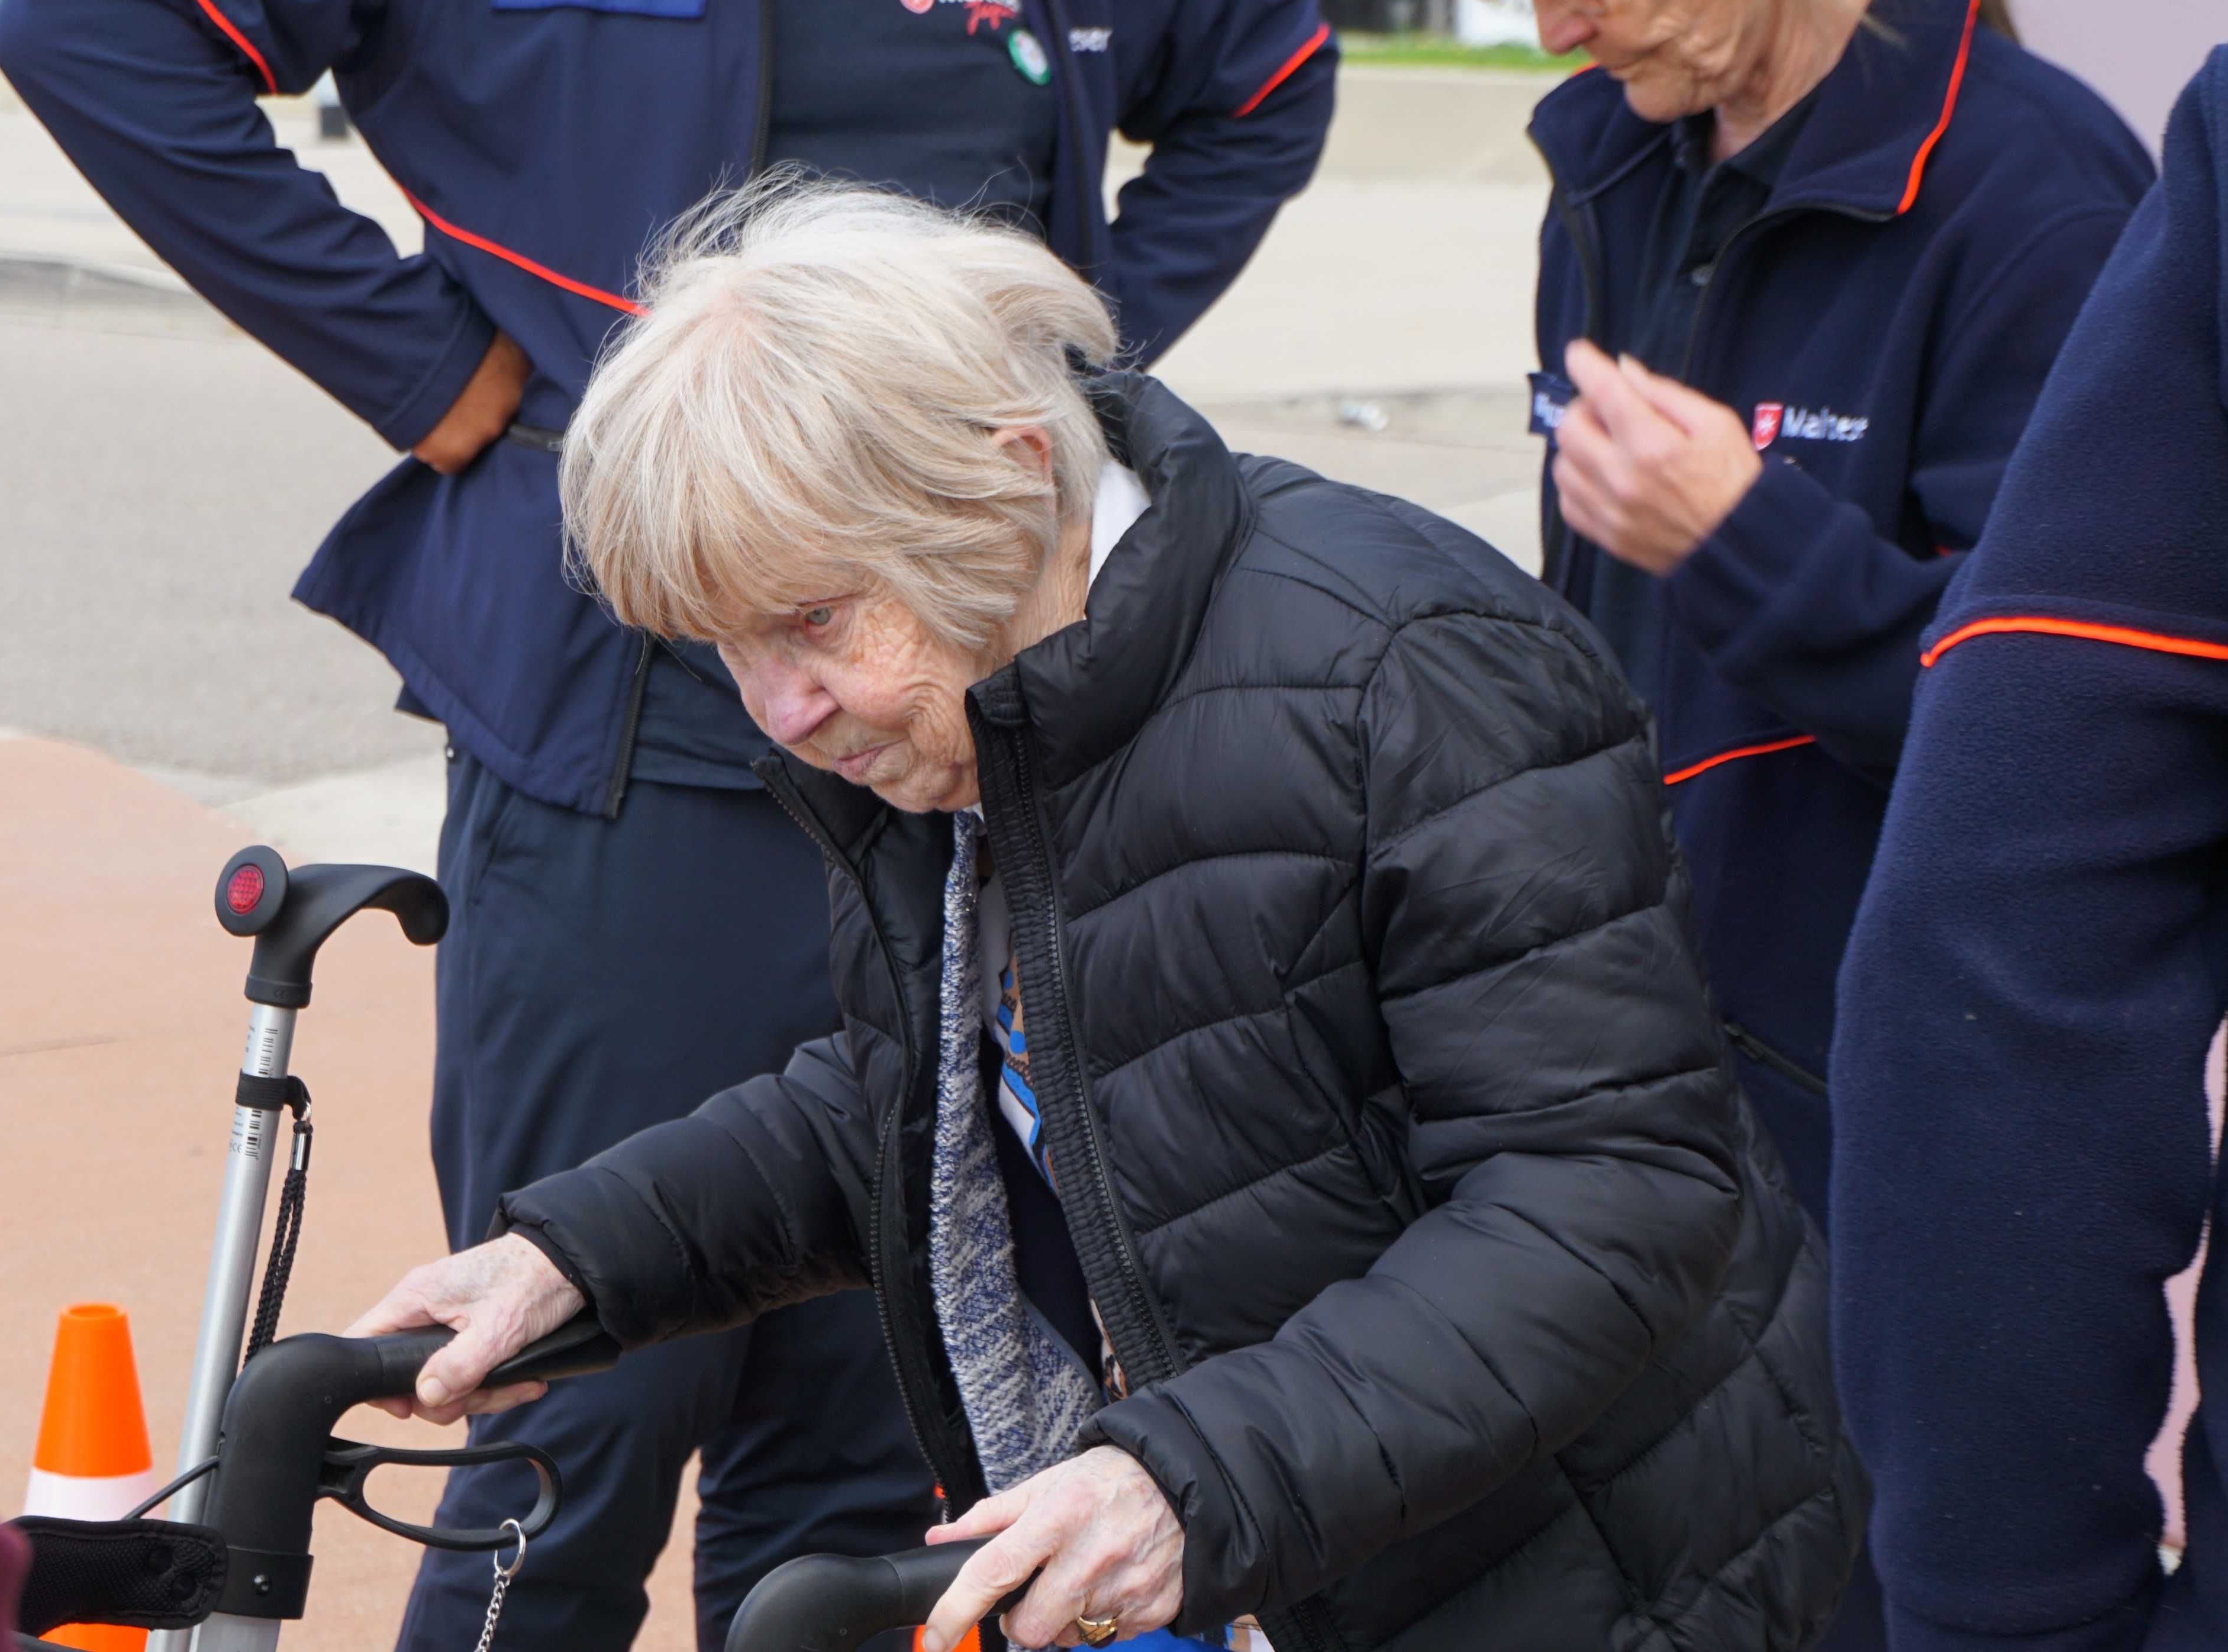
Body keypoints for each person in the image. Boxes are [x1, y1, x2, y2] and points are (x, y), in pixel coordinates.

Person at [0, 0, 1334, 1642]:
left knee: (888, 1409)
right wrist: (429, 372)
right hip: (632, 744)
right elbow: (91, 13)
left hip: (961, 757)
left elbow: (1265, 87)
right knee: (568, 1402)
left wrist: (1070, 389)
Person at [350, 176, 1863, 1652]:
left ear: (1009, 475)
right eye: (721, 647)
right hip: (1259, 1535)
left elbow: (1608, 1194)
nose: (781, 708)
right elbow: (945, 1096)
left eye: (811, 618)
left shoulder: (1406, 669)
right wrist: (577, 1259)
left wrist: (1186, 1482)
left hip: (1584, 1581)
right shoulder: (962, 696)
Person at [1421, 0, 2151, 1228]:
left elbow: (2075, 749)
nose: (1554, 32)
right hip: (1629, 1083)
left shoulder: (2036, 204)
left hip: (1897, 1129)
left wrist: (1746, 543)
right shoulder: (1614, 163)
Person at [1829, 0, 2228, 1650]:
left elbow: (2009, 940)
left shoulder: (2057, 176)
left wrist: (2000, 1618)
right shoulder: (1611, 167)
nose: (1550, 19)